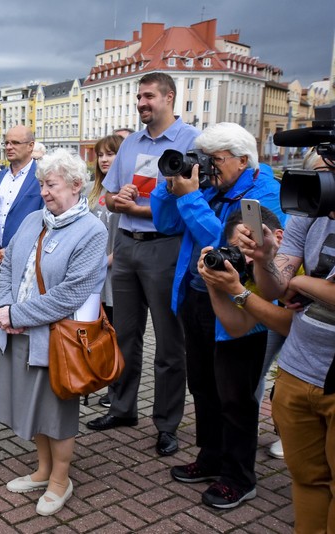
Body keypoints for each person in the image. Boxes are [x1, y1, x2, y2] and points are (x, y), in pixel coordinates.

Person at [151, 121, 285, 509]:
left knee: (235, 396)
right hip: (196, 300)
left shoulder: (265, 196)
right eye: (204, 159)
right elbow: (166, 223)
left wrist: (191, 198)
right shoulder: (210, 187)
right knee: (204, 387)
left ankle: (239, 477)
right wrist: (170, 182)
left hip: (241, 309)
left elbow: (234, 249)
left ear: (243, 159)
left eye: (216, 160)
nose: (208, 167)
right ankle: (211, 456)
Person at [87, 73, 200, 457]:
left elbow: (190, 199)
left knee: (169, 342)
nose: (141, 103)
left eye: (149, 96)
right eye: (138, 97)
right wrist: (122, 201)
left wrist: (138, 207)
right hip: (127, 246)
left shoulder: (191, 142)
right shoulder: (131, 143)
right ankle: (121, 408)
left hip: (166, 248)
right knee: (124, 335)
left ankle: (167, 425)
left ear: (170, 97)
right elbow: (109, 196)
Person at [0, 148, 107, 517]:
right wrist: (2, 308)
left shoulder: (91, 230)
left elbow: (70, 294)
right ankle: (43, 470)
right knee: (32, 405)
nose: (44, 191)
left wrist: (17, 313)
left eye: (51, 185)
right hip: (19, 331)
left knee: (56, 413)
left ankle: (61, 479)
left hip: (58, 341)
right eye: (42, 184)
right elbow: (9, 266)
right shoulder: (33, 221)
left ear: (76, 186)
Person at [236, 149, 335, 532]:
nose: (320, 185)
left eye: (328, 175)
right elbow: (273, 287)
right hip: (297, 369)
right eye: (318, 174)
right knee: (307, 480)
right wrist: (264, 258)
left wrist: (297, 282)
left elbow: (290, 283)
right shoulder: (308, 211)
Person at [199, 207, 292, 462]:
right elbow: (236, 326)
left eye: (251, 248)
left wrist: (239, 290)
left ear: (279, 238)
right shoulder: (249, 270)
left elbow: (290, 325)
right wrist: (214, 284)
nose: (246, 257)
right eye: (237, 249)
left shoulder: (295, 262)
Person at [0, 125, 44, 385]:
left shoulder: (40, 177)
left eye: (15, 142)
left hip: (26, 261)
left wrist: (15, 250)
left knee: (24, 316)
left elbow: (44, 220)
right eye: (6, 143)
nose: (9, 147)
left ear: (30, 146)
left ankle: (24, 369)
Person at [87, 134, 124, 408]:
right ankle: (99, 380)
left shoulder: (125, 192)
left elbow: (126, 236)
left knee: (118, 334)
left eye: (110, 154)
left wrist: (107, 260)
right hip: (93, 276)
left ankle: (118, 391)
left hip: (115, 274)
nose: (104, 160)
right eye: (100, 155)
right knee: (98, 333)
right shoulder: (92, 190)